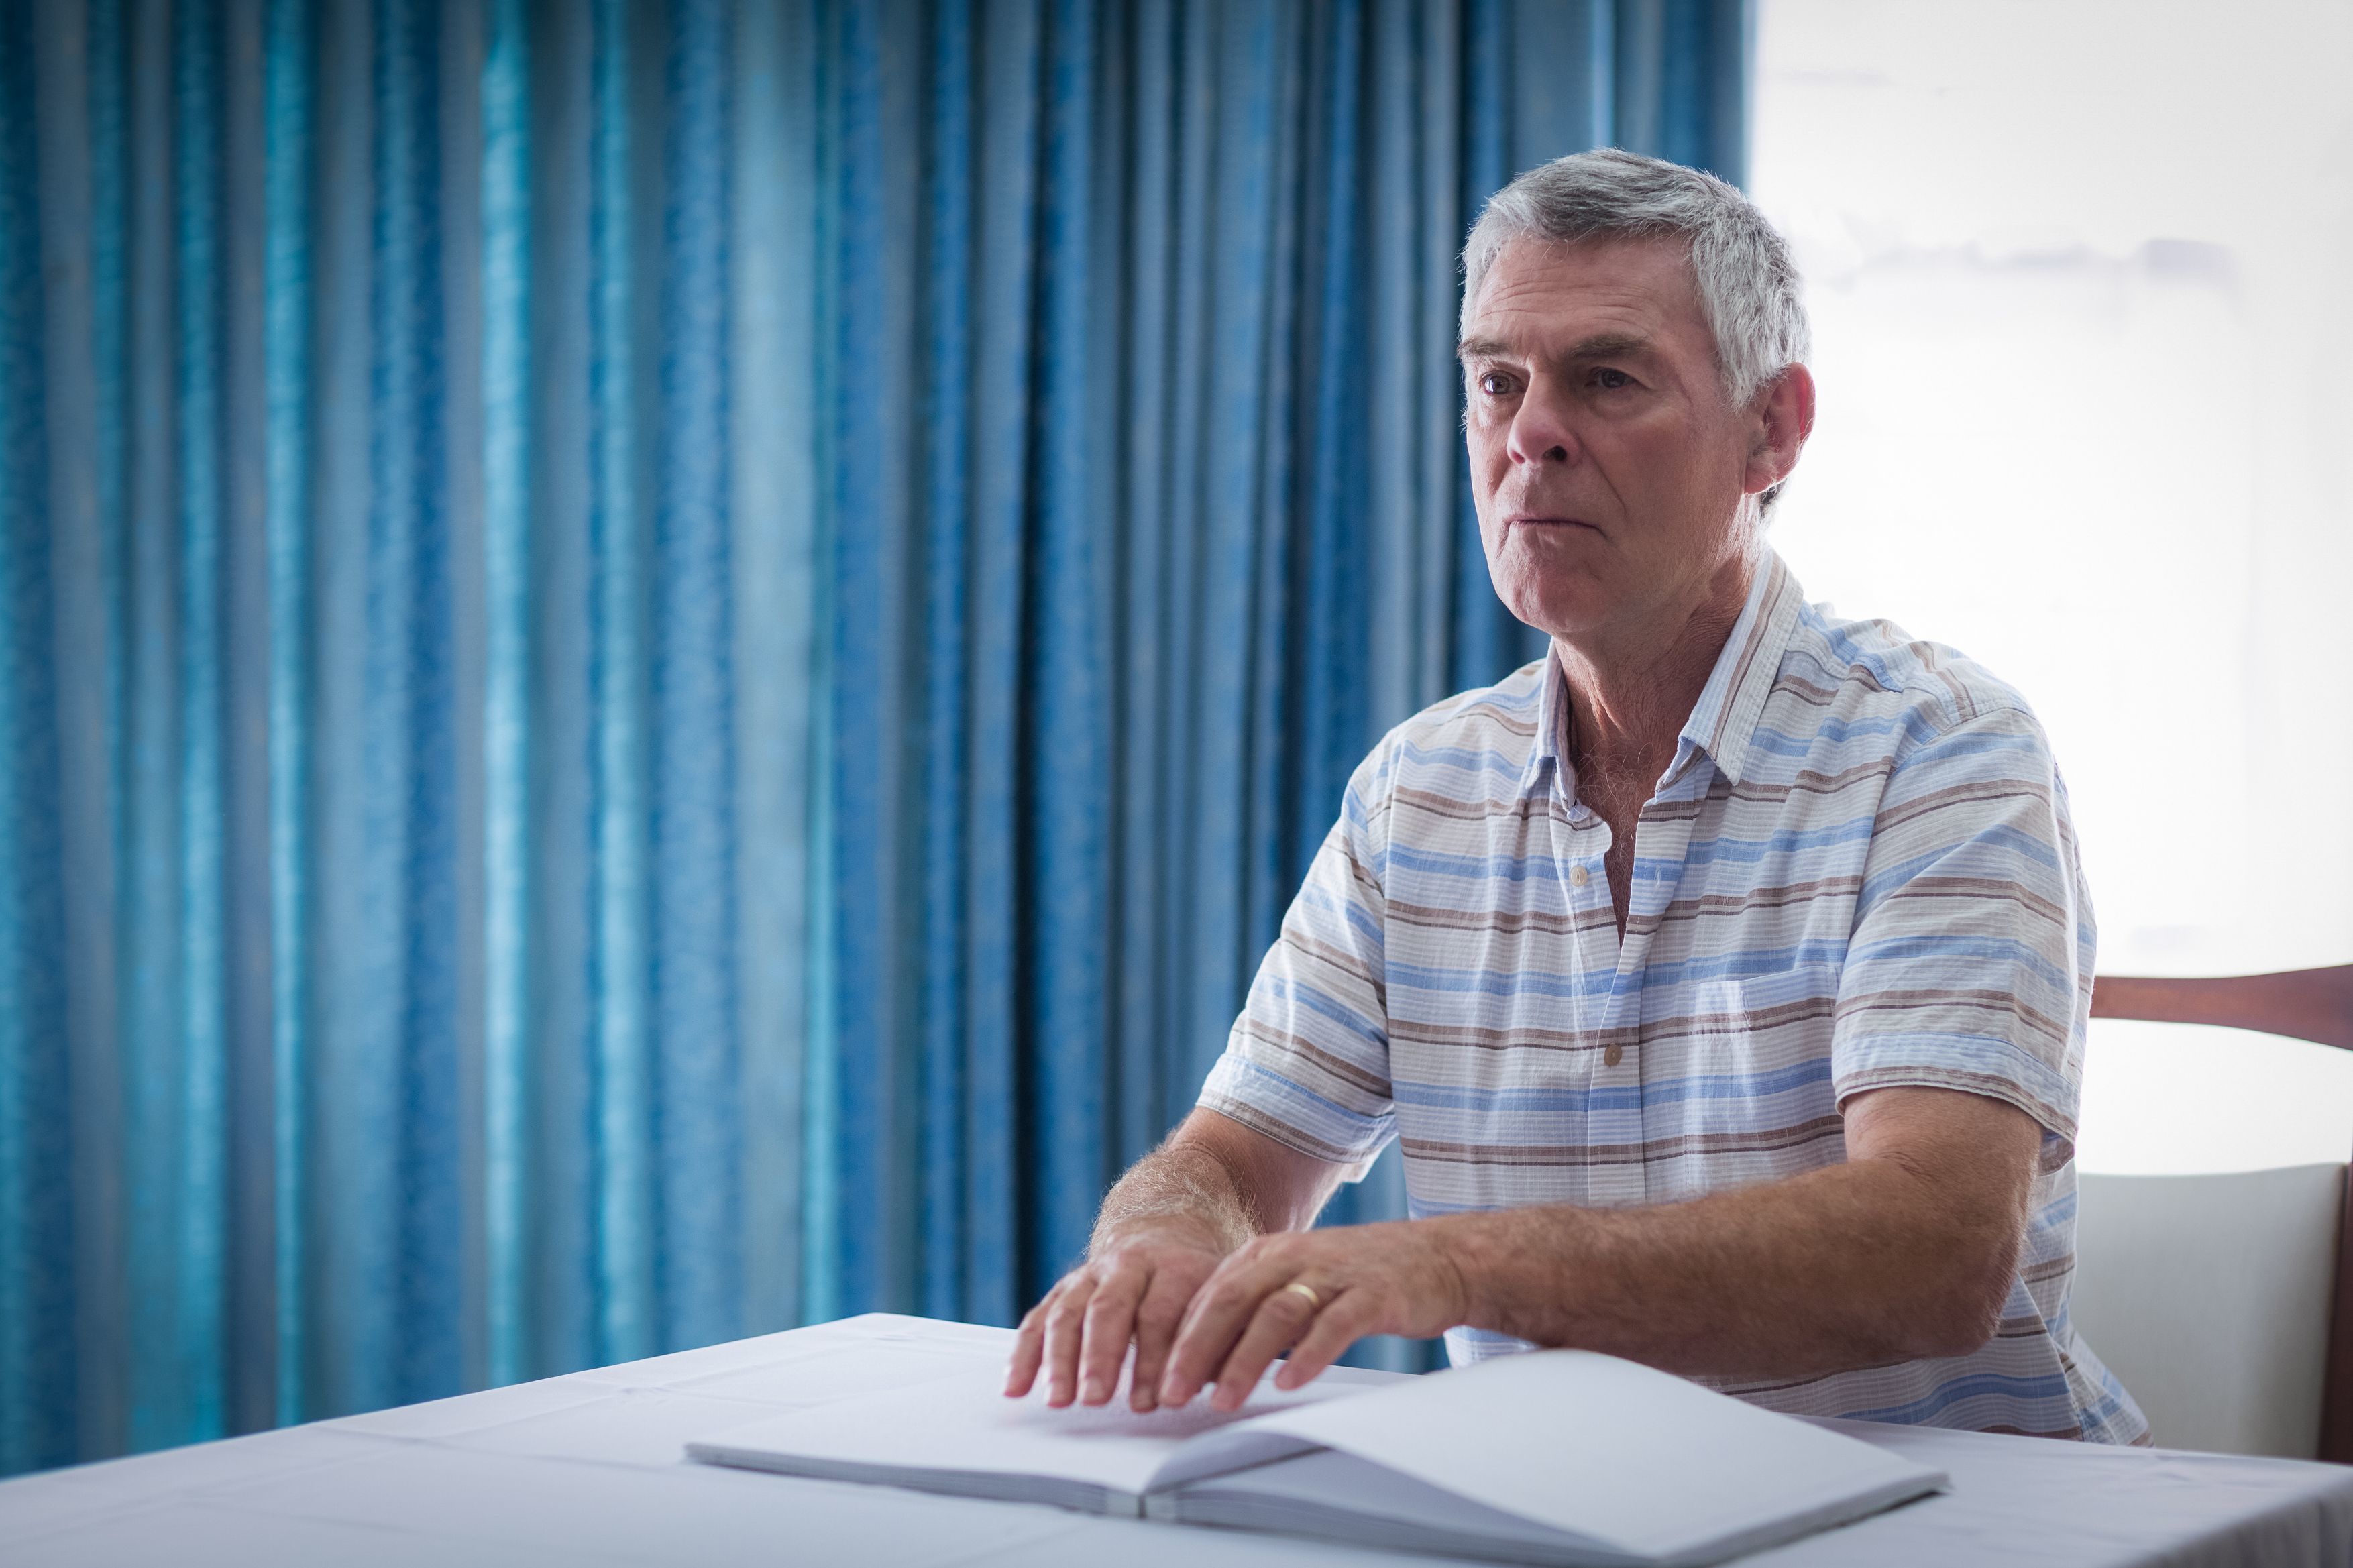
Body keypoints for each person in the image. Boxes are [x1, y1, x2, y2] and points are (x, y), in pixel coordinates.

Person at [1003, 148, 2146, 1445]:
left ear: (1771, 430)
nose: (1529, 434)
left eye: (1607, 379)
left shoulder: (1942, 751)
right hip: (1562, 1503)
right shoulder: (1415, 793)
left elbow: (1937, 1251)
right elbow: (1232, 1160)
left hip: (1955, 1513)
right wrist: (1159, 1246)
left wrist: (1462, 1264)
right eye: (1498, 382)